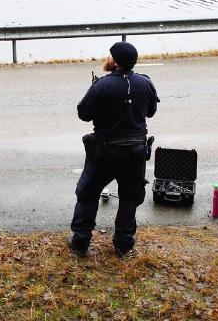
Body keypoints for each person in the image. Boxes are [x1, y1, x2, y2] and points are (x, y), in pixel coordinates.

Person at [68, 41, 159, 258]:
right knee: (129, 197)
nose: (107, 58)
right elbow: (151, 112)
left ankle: (80, 241)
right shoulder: (146, 83)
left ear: (115, 61)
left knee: (88, 193)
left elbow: (83, 114)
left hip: (105, 152)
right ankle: (123, 245)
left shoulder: (101, 85)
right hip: (135, 152)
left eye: (110, 56)